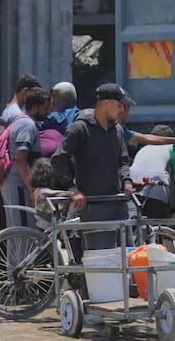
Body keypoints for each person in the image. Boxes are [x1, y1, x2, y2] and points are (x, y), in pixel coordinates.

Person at [51, 83, 136, 254]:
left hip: (118, 202)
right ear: (107, 103)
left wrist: (126, 181)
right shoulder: (80, 128)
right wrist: (73, 189)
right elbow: (58, 159)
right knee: (101, 258)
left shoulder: (117, 130)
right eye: (119, 105)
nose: (121, 110)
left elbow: (123, 160)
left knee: (128, 256)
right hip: (93, 206)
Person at [0, 86, 53, 231]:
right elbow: (20, 158)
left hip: (17, 182)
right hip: (19, 183)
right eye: (45, 108)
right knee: (23, 232)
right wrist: (31, 189)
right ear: (34, 108)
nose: (48, 112)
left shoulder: (22, 121)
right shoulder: (27, 124)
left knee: (18, 231)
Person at [129, 124, 175, 220]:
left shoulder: (143, 149)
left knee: (135, 224)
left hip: (133, 186)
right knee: (158, 224)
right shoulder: (172, 148)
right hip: (156, 189)